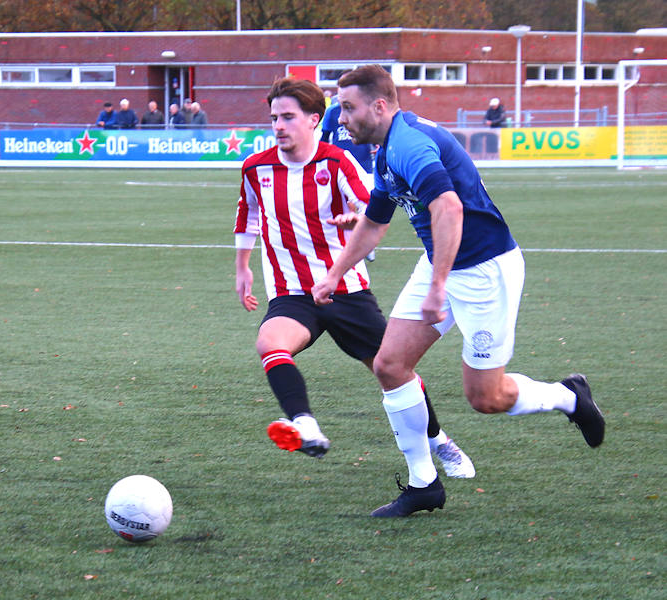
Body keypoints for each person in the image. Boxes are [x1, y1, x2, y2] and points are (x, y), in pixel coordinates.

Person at [312, 65, 604, 518]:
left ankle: (569, 397)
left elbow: (448, 208)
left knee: (486, 398)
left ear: (380, 106)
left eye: (349, 108)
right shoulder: (386, 150)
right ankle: (423, 485)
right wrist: (334, 274)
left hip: (484, 270)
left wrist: (438, 286)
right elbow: (374, 221)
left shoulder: (408, 145)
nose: (342, 117)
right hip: (442, 262)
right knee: (389, 365)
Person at [234, 76, 475, 480]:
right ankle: (305, 425)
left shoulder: (336, 162)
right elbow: (249, 215)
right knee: (270, 344)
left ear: (313, 119)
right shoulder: (256, 167)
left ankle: (439, 441)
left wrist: (356, 217)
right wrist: (242, 267)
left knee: (392, 370)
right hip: (292, 292)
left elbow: (372, 206)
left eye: (288, 117)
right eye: (274, 118)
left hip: (347, 291)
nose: (278, 126)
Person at [321, 89, 376, 262]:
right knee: (346, 205)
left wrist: (378, 145)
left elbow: (374, 131)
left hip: (363, 162)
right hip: (340, 165)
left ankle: (367, 244)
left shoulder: (363, 109)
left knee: (367, 204)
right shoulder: (332, 112)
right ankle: (350, 244)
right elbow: (325, 136)